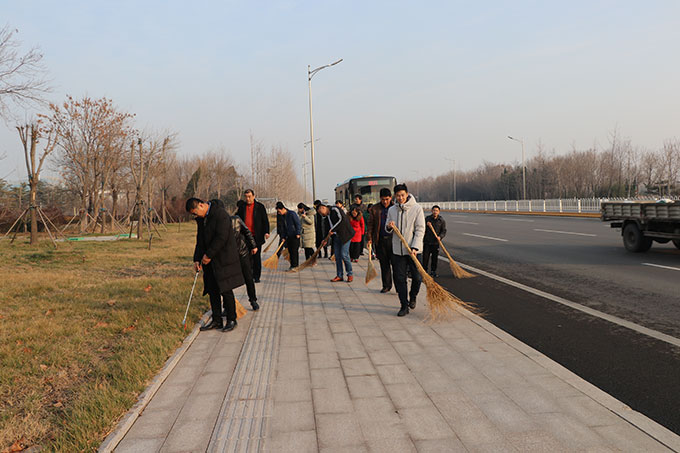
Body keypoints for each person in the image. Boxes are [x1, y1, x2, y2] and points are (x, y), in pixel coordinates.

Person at [186, 197, 244, 332]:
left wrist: (209, 255)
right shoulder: (201, 219)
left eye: (195, 213)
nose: (195, 216)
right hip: (208, 261)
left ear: (201, 205)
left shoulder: (220, 214)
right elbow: (200, 240)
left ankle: (231, 319)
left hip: (222, 258)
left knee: (225, 289)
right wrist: (197, 258)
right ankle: (217, 320)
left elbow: (221, 238)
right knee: (212, 290)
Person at [386, 184, 425, 317]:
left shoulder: (417, 208)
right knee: (399, 278)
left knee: (417, 277)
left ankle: (413, 296)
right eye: (398, 196)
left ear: (407, 194)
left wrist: (415, 247)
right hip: (398, 251)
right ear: (395, 196)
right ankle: (404, 305)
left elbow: (420, 229)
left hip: (413, 251)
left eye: (402, 195)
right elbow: (387, 227)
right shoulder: (392, 210)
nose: (400, 198)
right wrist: (389, 226)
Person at [237, 189, 270, 283]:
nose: (248, 199)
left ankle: (256, 276)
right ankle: (248, 275)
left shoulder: (260, 207)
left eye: (249, 197)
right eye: (246, 197)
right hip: (245, 236)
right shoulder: (242, 207)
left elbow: (265, 220)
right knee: (246, 257)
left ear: (254, 196)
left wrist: (266, 232)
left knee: (256, 257)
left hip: (256, 236)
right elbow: (237, 219)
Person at [317, 203, 354, 282]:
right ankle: (339, 275)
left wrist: (333, 229)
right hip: (336, 237)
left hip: (345, 235)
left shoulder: (335, 209)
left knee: (344, 254)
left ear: (323, 207)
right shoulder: (326, 217)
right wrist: (325, 239)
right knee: (337, 256)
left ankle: (350, 274)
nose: (321, 214)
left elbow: (341, 220)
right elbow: (327, 229)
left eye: (320, 212)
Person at [230, 210, 259, 310]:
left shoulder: (236, 220)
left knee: (248, 277)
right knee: (228, 281)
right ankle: (228, 306)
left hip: (242, 252)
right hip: (229, 256)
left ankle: (253, 300)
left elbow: (247, 232)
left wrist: (253, 246)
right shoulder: (216, 224)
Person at [367, 188, 394, 293]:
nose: (385, 201)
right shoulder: (375, 209)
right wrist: (369, 238)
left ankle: (399, 286)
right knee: (384, 264)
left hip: (394, 240)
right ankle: (386, 285)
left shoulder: (395, 208)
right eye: (383, 199)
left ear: (390, 198)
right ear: (380, 198)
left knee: (396, 264)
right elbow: (370, 225)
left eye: (387, 199)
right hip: (380, 240)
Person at [276, 202, 301, 270]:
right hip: (288, 236)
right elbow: (284, 228)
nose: (279, 213)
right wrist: (283, 237)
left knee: (294, 251)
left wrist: (298, 233)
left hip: (295, 235)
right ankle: (292, 265)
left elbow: (298, 224)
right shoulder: (283, 216)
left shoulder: (292, 214)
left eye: (279, 211)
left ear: (283, 209)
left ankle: (295, 266)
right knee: (290, 251)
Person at [423, 205, 447, 277]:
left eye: (436, 211)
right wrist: (426, 225)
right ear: (431, 211)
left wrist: (440, 237)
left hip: (435, 243)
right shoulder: (427, 219)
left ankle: (433, 271)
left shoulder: (441, 220)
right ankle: (424, 271)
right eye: (434, 210)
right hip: (427, 242)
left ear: (439, 212)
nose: (435, 212)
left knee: (434, 258)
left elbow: (444, 231)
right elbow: (422, 228)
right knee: (425, 258)